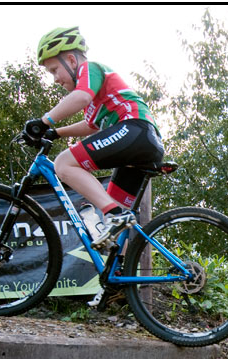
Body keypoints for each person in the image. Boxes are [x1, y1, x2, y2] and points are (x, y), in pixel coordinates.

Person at [23, 26, 164, 247]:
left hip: (135, 129)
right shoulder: (96, 97)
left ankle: (115, 214)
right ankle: (122, 267)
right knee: (115, 221)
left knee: (63, 163)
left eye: (54, 70)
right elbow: (91, 126)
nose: (55, 79)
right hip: (142, 142)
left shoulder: (90, 69)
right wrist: (55, 132)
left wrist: (44, 121)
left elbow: (80, 97)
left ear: (71, 60)